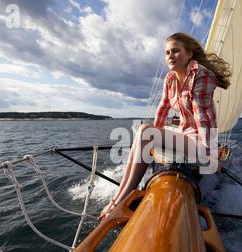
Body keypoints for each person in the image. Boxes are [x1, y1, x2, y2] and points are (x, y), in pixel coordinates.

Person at [99, 32, 231, 221]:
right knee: (143, 129)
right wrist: (153, 136)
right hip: (183, 132)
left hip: (201, 140)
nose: (170, 56)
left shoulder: (202, 75)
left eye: (175, 51)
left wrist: (210, 156)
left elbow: (204, 117)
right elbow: (162, 110)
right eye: (167, 52)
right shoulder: (170, 78)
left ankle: (122, 199)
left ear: (189, 54)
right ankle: (120, 195)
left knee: (146, 132)